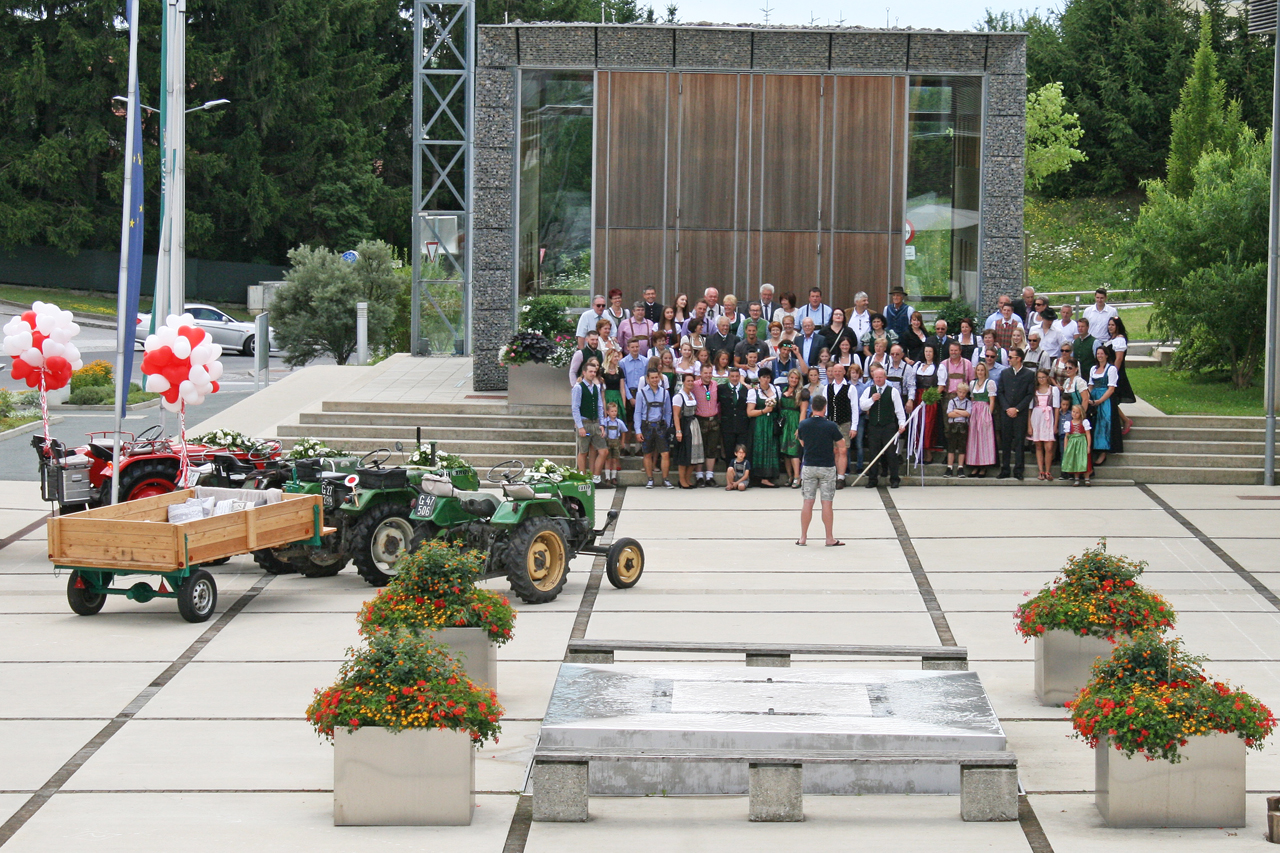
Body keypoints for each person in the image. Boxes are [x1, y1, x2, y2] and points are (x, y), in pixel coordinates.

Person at [796, 394, 848, 547]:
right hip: (827, 466)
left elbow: (802, 442)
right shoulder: (830, 426)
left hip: (809, 465)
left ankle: (803, 537)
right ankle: (829, 538)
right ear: (825, 408)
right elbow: (842, 444)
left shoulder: (803, 424)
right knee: (827, 503)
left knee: (807, 501)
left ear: (812, 407)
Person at [859, 365, 908, 488]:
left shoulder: (893, 391)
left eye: (880, 377)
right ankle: (872, 479)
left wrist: (902, 424)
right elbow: (863, 406)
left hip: (888, 426)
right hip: (874, 426)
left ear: (885, 377)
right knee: (873, 453)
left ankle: (894, 479)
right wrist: (872, 400)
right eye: (876, 377)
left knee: (891, 453)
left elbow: (899, 410)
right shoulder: (869, 390)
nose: (878, 379)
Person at [996, 347, 1036, 480]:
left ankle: (1019, 469)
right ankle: (1005, 469)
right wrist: (1007, 408)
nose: (1008, 359)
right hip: (1006, 412)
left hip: (1020, 412)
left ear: (1018, 359)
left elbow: (1029, 394)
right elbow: (1000, 392)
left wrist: (1017, 409)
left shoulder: (1029, 374)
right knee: (1006, 441)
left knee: (1019, 441)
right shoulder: (1005, 373)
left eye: (1011, 357)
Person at [634, 368, 675, 490]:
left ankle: (665, 479)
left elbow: (668, 411)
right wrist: (638, 430)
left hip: (661, 426)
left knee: (665, 453)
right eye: (652, 378)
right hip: (646, 425)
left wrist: (668, 426)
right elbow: (637, 412)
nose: (654, 380)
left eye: (656, 377)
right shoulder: (641, 393)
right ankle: (650, 479)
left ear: (659, 378)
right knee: (647, 454)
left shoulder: (665, 393)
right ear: (647, 379)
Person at [571, 360, 607, 484]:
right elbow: (575, 408)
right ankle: (584, 478)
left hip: (595, 423)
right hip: (585, 424)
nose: (592, 374)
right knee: (583, 451)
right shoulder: (578, 387)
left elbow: (599, 406)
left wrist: (602, 424)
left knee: (603, 451)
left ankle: (596, 478)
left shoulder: (596, 387)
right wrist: (580, 426)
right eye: (590, 371)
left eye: (594, 372)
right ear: (584, 372)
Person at [1089, 345, 1123, 465]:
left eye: (1102, 354)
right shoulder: (1093, 368)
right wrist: (1088, 397)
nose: (1100, 356)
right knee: (1093, 422)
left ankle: (1103, 452)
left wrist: (1099, 401)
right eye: (1098, 354)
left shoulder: (1111, 369)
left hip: (1105, 399)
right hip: (1094, 397)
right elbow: (1091, 385)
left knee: (1104, 423)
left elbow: (1111, 389)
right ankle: (1094, 449)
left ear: (1107, 355)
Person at [748, 367, 782, 487]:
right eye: (763, 377)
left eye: (768, 377)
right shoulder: (754, 392)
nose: (766, 380)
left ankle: (768, 477)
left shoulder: (776, 390)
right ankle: (759, 477)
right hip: (760, 424)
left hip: (772, 423)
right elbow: (749, 412)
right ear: (759, 378)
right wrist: (764, 410)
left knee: (772, 448)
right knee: (760, 448)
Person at [823, 362, 855, 487]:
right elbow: (825, 407)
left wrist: (854, 427)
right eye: (834, 371)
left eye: (839, 371)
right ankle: (836, 475)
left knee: (843, 450)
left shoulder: (850, 388)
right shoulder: (827, 388)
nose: (836, 373)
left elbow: (854, 408)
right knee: (835, 450)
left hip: (844, 423)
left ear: (844, 372)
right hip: (831, 423)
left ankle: (841, 477)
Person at [909, 344, 941, 463]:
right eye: (926, 351)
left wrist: (930, 397)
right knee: (917, 424)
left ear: (934, 353)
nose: (928, 354)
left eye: (930, 352)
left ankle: (928, 453)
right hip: (918, 397)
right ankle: (919, 452)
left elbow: (941, 386)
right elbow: (912, 383)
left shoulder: (938, 367)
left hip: (930, 399)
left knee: (928, 425)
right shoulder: (918, 365)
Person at [672, 372, 704, 489]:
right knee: (684, 454)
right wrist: (678, 431)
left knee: (694, 454)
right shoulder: (679, 397)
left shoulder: (692, 395)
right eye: (688, 381)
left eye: (692, 381)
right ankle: (682, 480)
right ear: (683, 382)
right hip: (684, 426)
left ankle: (687, 478)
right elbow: (676, 415)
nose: (690, 383)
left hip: (694, 425)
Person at [966, 361, 997, 477]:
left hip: (984, 410)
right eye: (978, 370)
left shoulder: (990, 383)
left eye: (982, 370)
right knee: (973, 437)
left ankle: (984, 466)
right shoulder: (972, 383)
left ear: (985, 371)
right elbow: (972, 399)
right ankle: (975, 465)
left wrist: (989, 415)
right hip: (975, 411)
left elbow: (992, 401)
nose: (980, 372)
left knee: (984, 438)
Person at [693, 364, 722, 487]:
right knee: (700, 448)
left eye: (710, 373)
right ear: (700, 373)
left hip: (714, 419)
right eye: (705, 373)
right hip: (700, 419)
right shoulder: (694, 385)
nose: (708, 375)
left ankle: (709, 476)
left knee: (712, 448)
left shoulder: (715, 384)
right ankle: (699, 476)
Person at [1030, 369, 1061, 481]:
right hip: (1037, 418)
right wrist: (1029, 425)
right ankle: (1041, 471)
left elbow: (1056, 408)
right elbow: (1030, 408)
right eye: (1039, 377)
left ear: (1048, 377)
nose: (1041, 379)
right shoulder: (1034, 390)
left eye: (1043, 377)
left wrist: (1055, 425)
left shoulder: (1054, 390)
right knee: (1038, 446)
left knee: (1049, 447)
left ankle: (1048, 470)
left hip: (1048, 418)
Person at [719, 367, 753, 470]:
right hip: (727, 424)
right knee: (729, 450)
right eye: (732, 376)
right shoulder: (721, 388)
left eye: (737, 376)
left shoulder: (745, 389)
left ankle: (742, 472)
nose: (735, 378)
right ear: (728, 377)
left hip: (742, 424)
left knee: (742, 449)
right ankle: (730, 473)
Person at [1107, 316, 1135, 434]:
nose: (1110, 327)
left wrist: (1113, 373)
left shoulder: (1119, 339)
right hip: (1109, 371)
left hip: (1116, 373)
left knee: (1111, 398)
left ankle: (1126, 420)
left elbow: (1118, 358)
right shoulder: (1111, 338)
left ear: (1118, 326)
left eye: (1113, 325)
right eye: (1109, 325)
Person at [778, 369, 804, 488]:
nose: (794, 380)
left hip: (794, 421)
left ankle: (797, 477)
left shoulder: (801, 392)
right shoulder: (783, 389)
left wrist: (800, 427)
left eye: (796, 378)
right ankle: (790, 476)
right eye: (792, 377)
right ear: (788, 378)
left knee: (794, 451)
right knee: (785, 451)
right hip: (784, 422)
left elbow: (803, 411)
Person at [943, 382, 972, 478]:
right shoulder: (952, 401)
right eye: (960, 392)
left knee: (962, 447)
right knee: (951, 447)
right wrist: (962, 413)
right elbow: (949, 414)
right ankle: (949, 467)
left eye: (964, 392)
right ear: (957, 391)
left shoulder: (968, 402)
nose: (961, 394)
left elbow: (968, 413)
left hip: (963, 426)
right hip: (953, 425)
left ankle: (960, 467)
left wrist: (956, 411)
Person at [1062, 404, 1092, 486]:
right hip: (1072, 444)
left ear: (1081, 413)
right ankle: (1077, 479)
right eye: (1073, 412)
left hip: (1082, 443)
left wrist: (1088, 446)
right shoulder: (1069, 423)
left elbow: (1088, 434)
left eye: (1077, 412)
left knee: (1085, 460)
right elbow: (1066, 436)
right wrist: (1066, 447)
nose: (1074, 414)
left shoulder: (1084, 422)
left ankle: (1087, 478)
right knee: (1075, 460)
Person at [848, 362, 870, 474]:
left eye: (856, 373)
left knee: (859, 443)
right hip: (848, 417)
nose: (855, 375)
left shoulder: (863, 387)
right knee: (847, 443)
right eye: (853, 373)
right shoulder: (846, 386)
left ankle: (859, 467)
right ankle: (847, 466)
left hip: (860, 417)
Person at [600, 401, 626, 488]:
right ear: (607, 412)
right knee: (608, 460)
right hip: (607, 442)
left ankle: (613, 477)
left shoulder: (619, 422)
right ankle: (607, 477)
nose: (614, 413)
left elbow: (624, 431)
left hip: (616, 442)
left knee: (615, 460)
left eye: (615, 411)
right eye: (612, 411)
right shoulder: (605, 422)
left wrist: (622, 441)